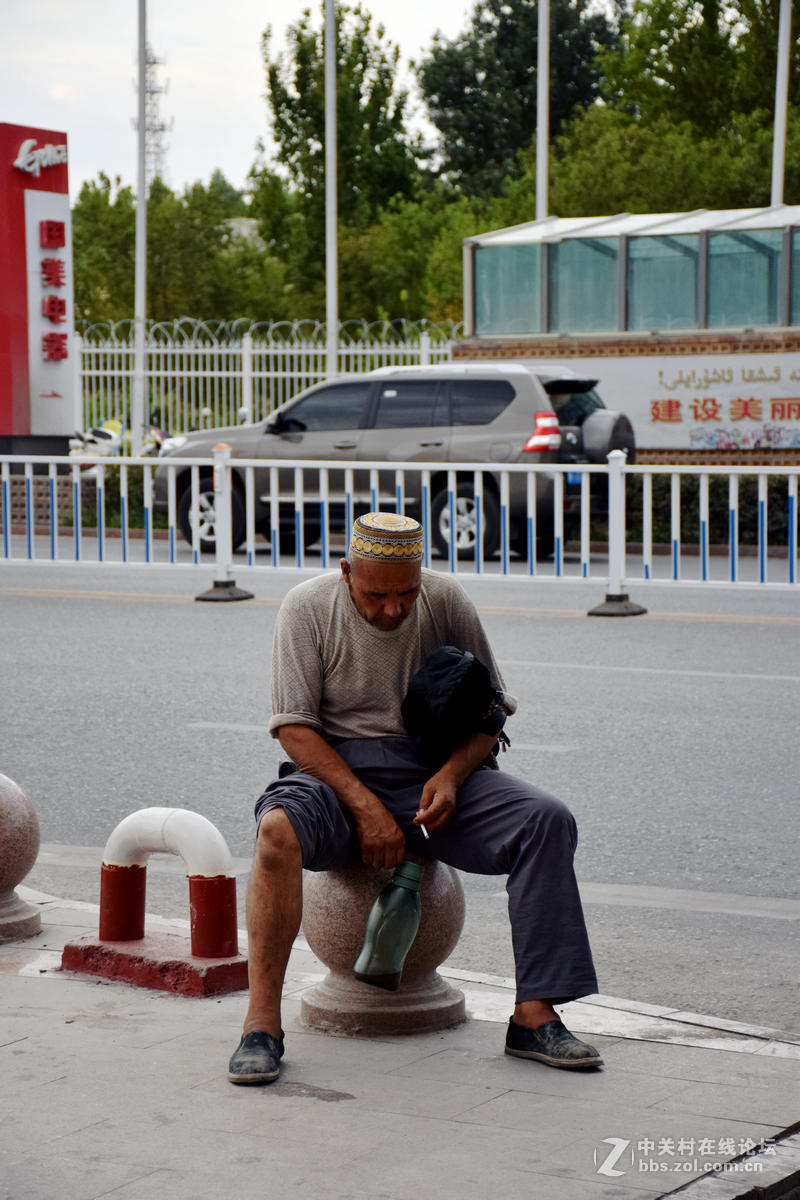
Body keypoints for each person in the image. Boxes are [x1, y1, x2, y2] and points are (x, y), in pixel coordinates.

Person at [228, 512, 601, 1085]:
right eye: (377, 595)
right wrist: (364, 805)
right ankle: (261, 1025)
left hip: (431, 776)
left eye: (407, 592)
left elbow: (490, 708)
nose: (394, 609)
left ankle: (534, 1015)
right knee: (277, 832)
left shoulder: (445, 599)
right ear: (347, 572)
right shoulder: (306, 607)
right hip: (333, 774)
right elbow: (294, 729)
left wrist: (452, 774)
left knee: (545, 820)